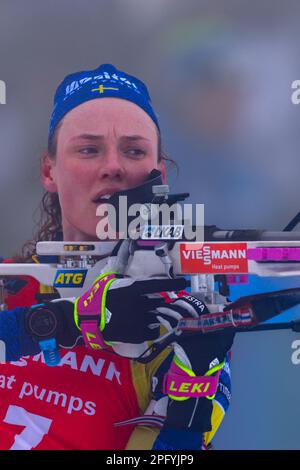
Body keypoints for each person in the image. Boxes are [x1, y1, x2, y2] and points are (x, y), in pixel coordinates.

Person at [0, 63, 233, 450]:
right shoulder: (11, 284)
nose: (113, 167)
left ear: (158, 175)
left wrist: (193, 391)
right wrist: (71, 321)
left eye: (134, 150)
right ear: (48, 170)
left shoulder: (172, 319)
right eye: (89, 149)